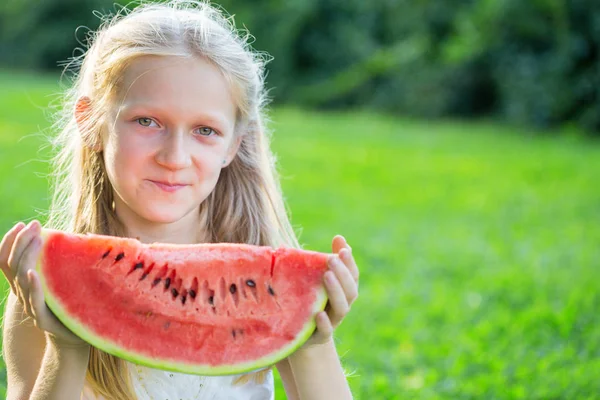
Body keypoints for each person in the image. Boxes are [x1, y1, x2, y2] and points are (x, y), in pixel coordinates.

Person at [0, 1, 360, 399]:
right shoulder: (40, 286)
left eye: (204, 130)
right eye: (147, 122)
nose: (174, 158)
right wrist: (67, 348)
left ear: (232, 147)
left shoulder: (266, 285)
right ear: (91, 122)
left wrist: (311, 343)